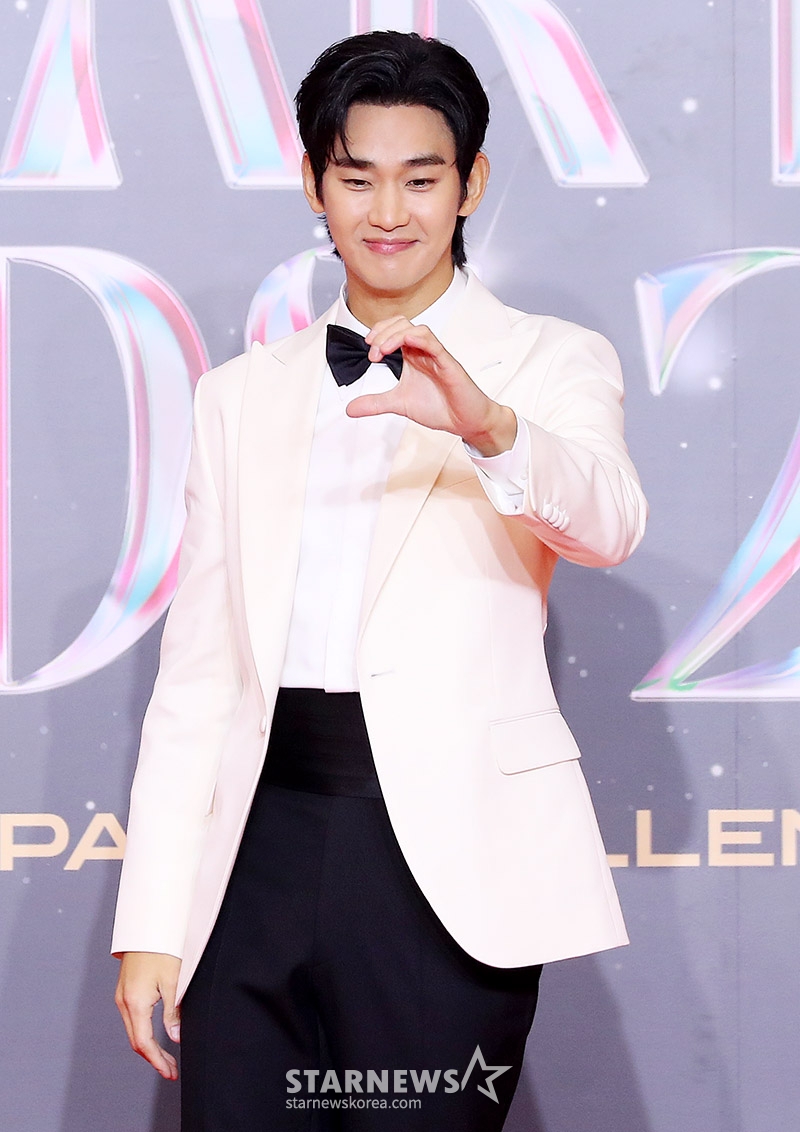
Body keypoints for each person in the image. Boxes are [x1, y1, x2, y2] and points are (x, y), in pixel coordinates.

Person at [112, 30, 647, 1130]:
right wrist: (154, 918)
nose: (388, 211)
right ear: (315, 183)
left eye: (421, 178)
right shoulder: (238, 395)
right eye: (357, 179)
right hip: (251, 853)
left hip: (440, 864)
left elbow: (609, 523)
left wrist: (490, 427)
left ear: (470, 185)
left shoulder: (548, 359)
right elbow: (198, 675)